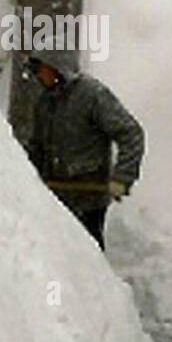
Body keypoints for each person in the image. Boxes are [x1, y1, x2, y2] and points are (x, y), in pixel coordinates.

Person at [24, 52, 145, 250]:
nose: (37, 74)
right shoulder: (44, 102)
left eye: (40, 67)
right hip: (54, 199)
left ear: (56, 65)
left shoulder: (92, 95)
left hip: (88, 200)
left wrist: (123, 177)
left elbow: (131, 133)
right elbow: (37, 147)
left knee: (86, 257)